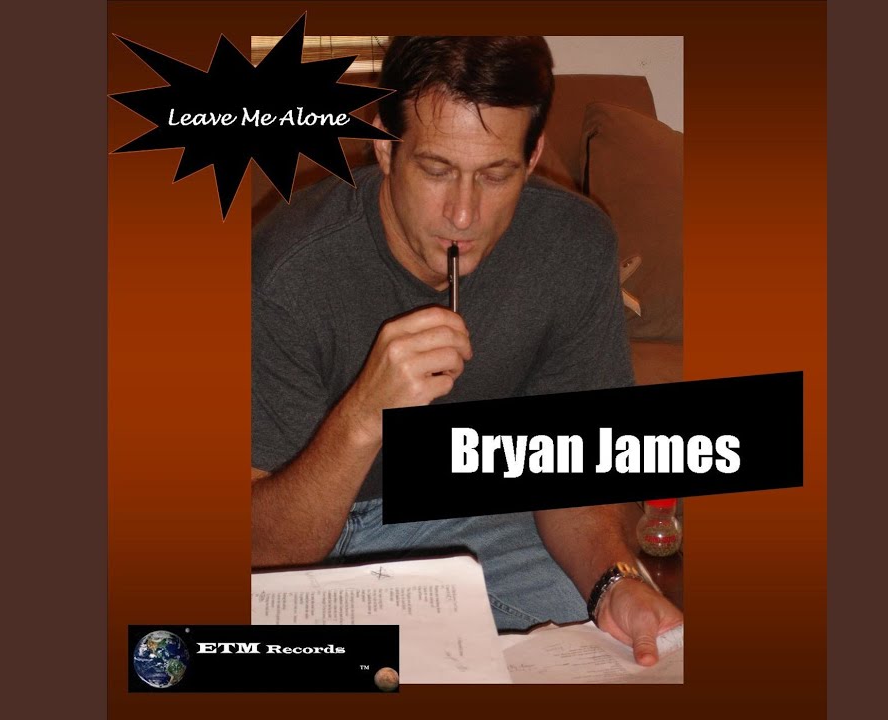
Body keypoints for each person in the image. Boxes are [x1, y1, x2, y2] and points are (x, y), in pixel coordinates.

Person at [251, 36, 682, 666]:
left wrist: (614, 582)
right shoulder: (287, 270)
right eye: (436, 169)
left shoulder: (572, 245)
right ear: (384, 145)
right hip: (299, 518)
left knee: (612, 632)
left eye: (495, 174)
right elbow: (262, 548)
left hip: (467, 519)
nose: (463, 214)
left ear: (533, 156)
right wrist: (363, 418)